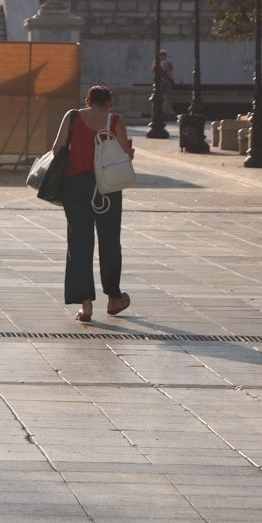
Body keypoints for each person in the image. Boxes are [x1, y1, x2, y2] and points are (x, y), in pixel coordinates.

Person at [59, 85, 133, 322]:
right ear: (109, 102)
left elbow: (57, 148)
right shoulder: (115, 120)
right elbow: (124, 153)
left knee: (79, 242)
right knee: (110, 241)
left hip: (75, 186)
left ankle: (86, 304)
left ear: (88, 100)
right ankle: (113, 298)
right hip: (107, 187)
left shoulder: (72, 116)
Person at [151, 50, 176, 129]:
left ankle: (166, 111)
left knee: (167, 96)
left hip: (167, 81)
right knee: (160, 96)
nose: (163, 58)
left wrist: (166, 69)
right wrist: (160, 67)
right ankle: (161, 111)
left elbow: (171, 74)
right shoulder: (156, 63)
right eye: (162, 56)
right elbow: (154, 72)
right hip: (160, 82)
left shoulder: (168, 63)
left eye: (164, 56)